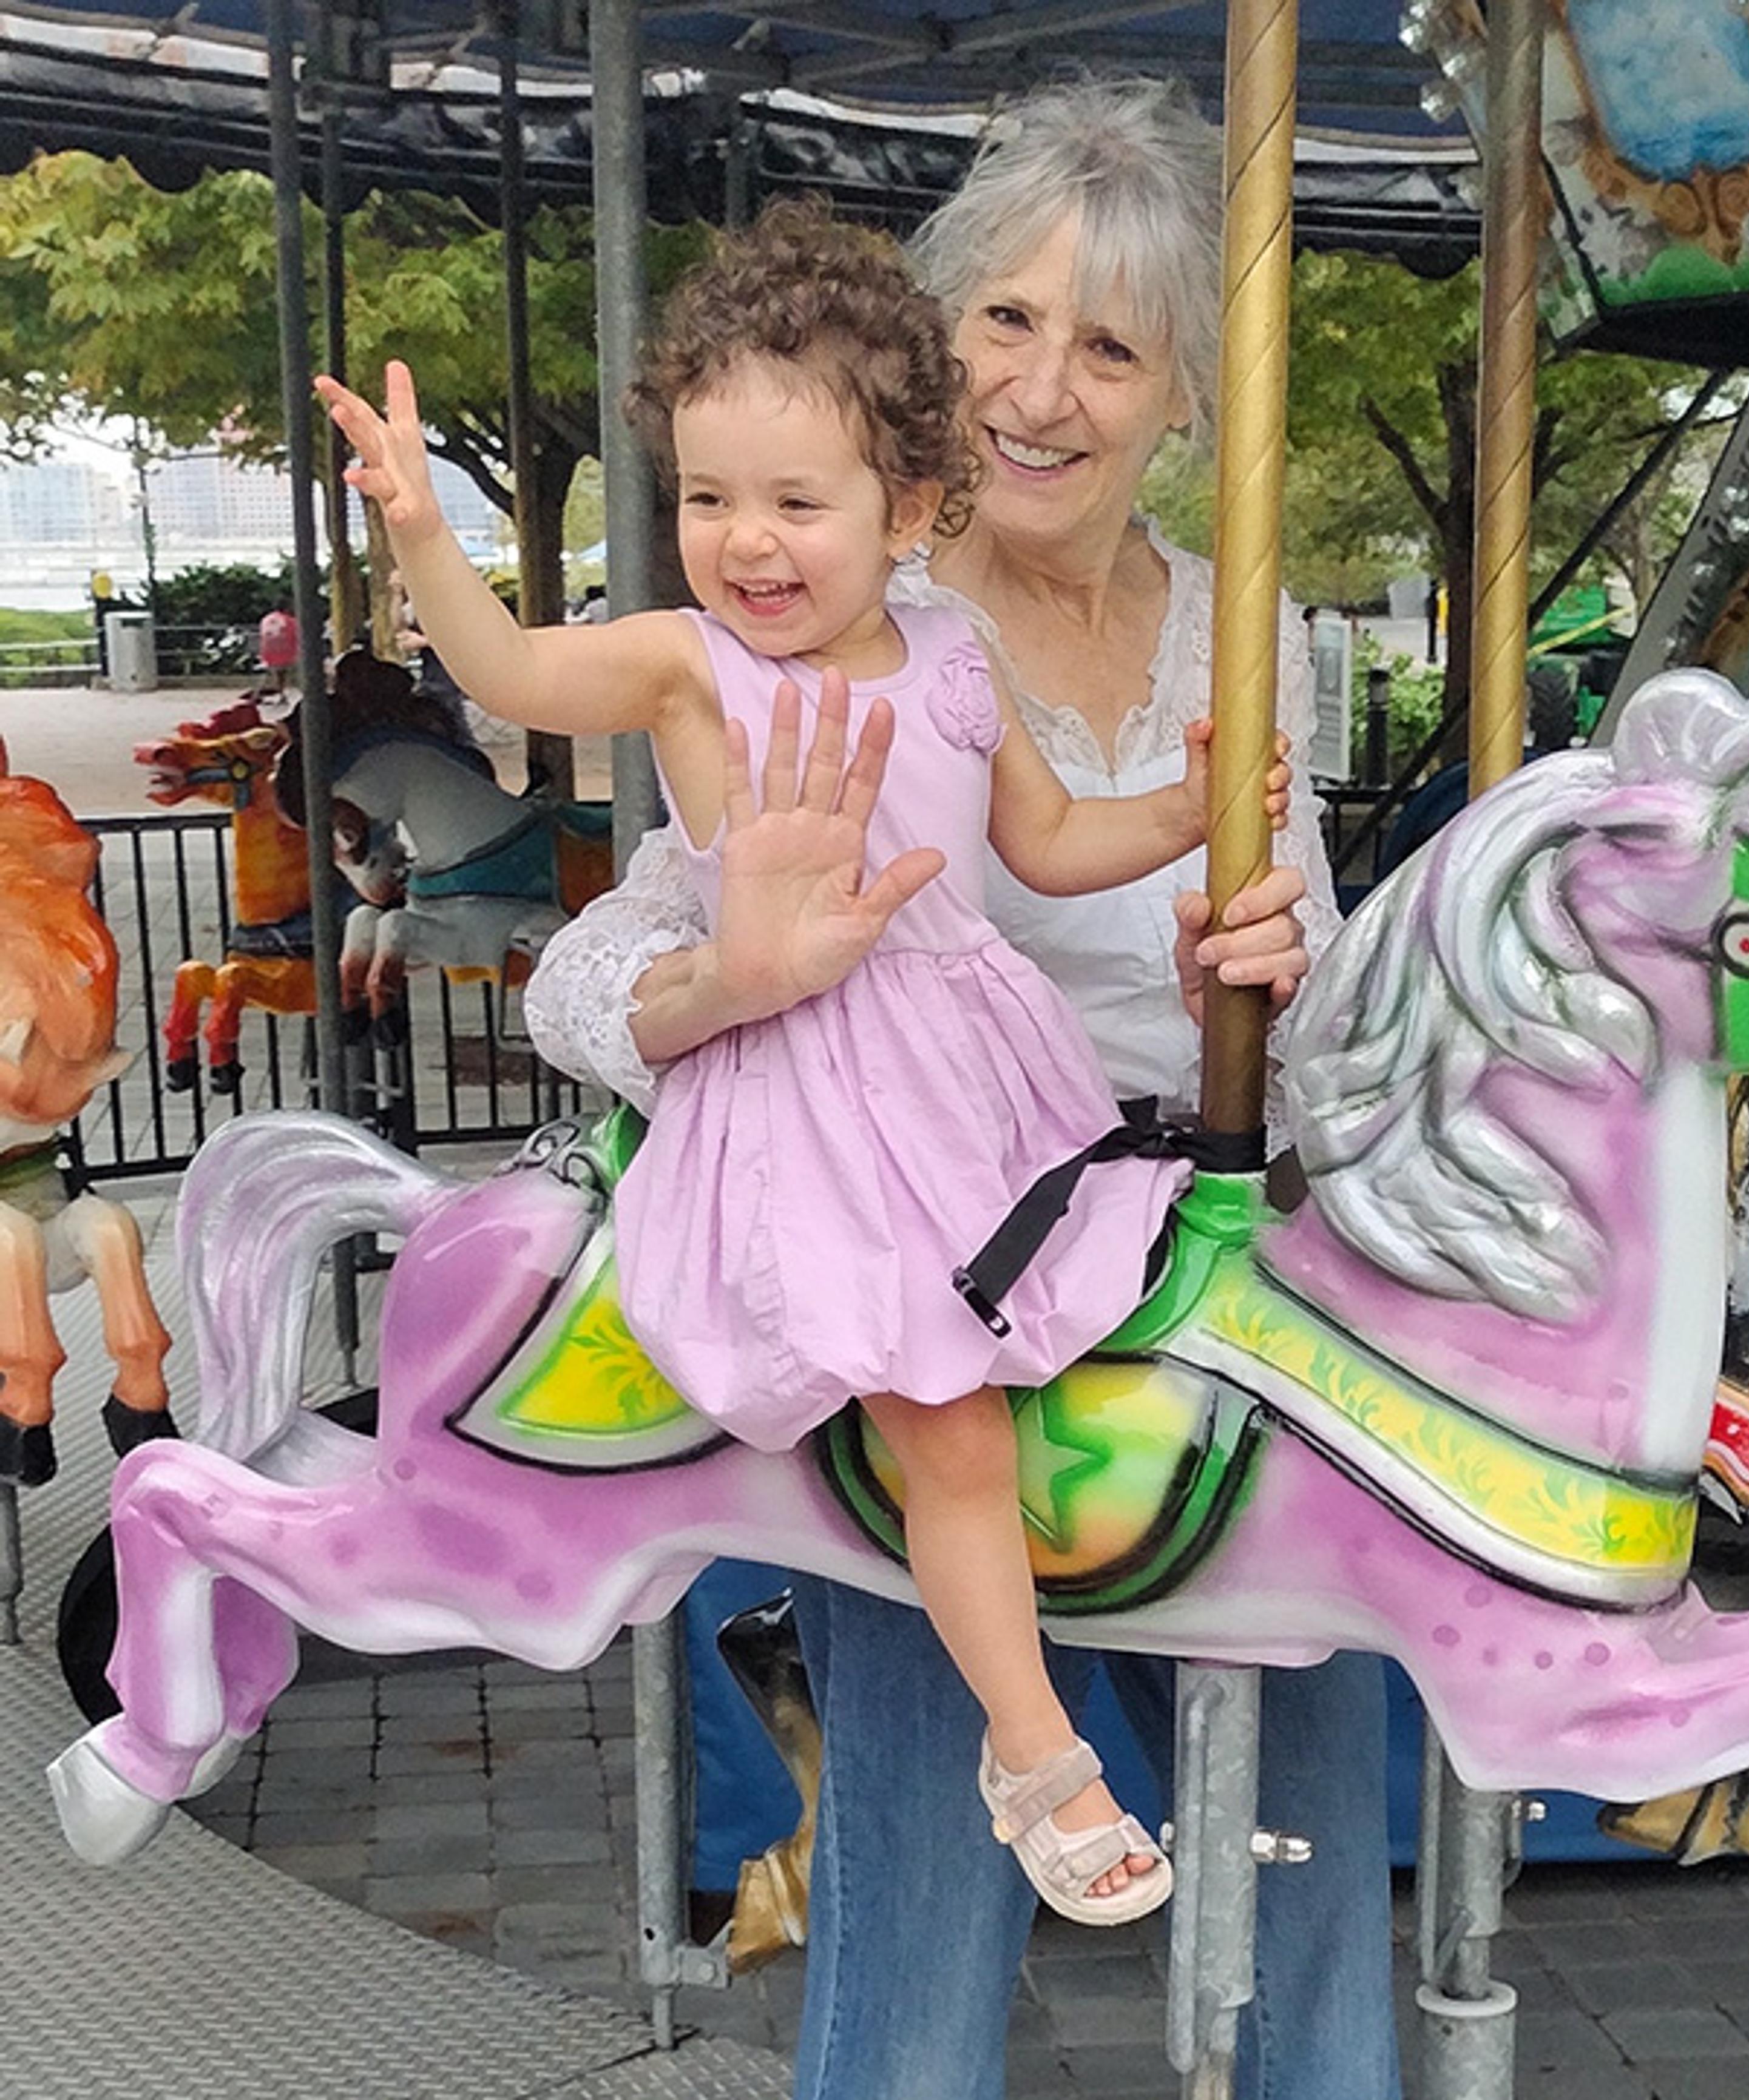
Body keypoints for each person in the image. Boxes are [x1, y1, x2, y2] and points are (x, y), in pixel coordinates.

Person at [523, 78, 1404, 2100]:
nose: (1044, 389)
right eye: (1005, 324)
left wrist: (1280, 968)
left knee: (1308, 1898)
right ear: (925, 368)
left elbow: (1341, 1007)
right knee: (921, 1928)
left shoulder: (1237, 641)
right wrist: (716, 981)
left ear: (1189, 397)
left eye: (1110, 345)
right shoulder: (822, 626)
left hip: (1202, 1288)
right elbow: (592, 973)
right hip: (943, 1286)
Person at [319, 202, 1298, 1928]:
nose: (746, 545)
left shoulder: (952, 657)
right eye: (708, 499)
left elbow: (1053, 846)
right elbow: (506, 666)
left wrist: (1200, 802)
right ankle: (1034, 1754)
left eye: (795, 503)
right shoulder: (687, 669)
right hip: (814, 1096)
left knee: (1100, 1353)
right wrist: (422, 539)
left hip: (980, 1081)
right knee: (952, 1423)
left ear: (911, 511)